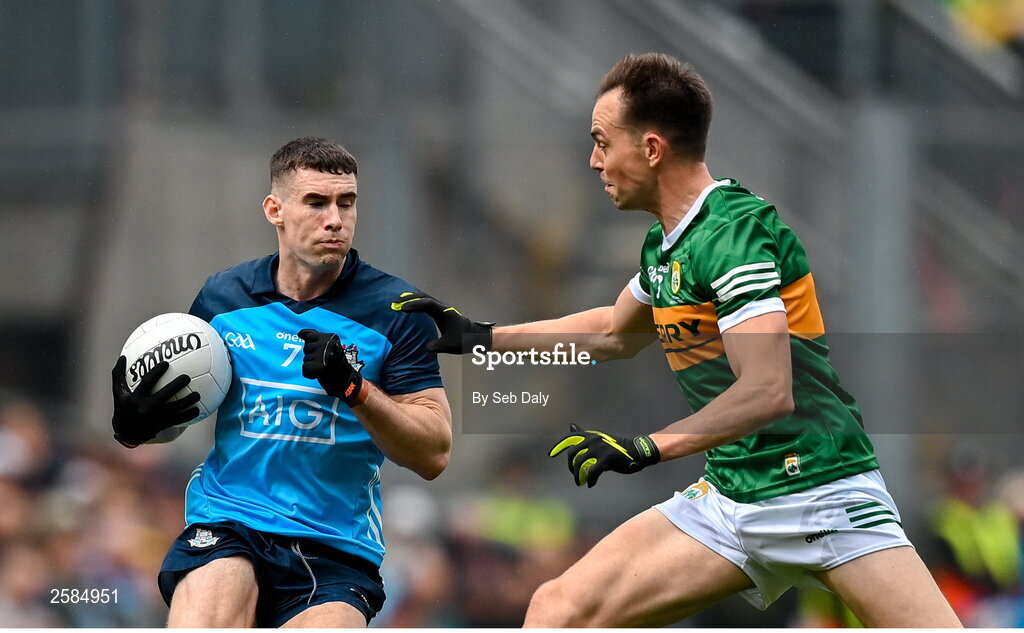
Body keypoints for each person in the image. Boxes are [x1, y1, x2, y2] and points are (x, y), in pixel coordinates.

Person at [393, 53, 961, 627]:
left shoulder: (732, 234)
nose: (593, 160)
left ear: (652, 149)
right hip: (732, 499)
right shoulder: (667, 245)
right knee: (558, 610)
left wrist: (647, 446)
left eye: (601, 141)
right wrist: (478, 337)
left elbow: (768, 390)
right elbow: (613, 333)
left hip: (819, 490)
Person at [110, 137, 453, 628]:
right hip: (230, 521)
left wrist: (355, 389)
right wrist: (133, 425)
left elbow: (434, 453)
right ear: (275, 209)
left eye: (346, 202)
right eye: (316, 202)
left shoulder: (399, 312)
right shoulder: (223, 297)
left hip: (336, 549)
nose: (335, 219)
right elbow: (180, 414)